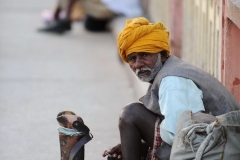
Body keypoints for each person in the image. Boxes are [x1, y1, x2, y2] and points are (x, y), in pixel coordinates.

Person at [101, 17, 240, 160]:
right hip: (216, 142)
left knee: (131, 114)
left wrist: (142, 146)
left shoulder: (173, 82)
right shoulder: (167, 72)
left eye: (144, 55)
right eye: (132, 58)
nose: (138, 64)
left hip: (221, 149)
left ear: (162, 55)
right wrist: (133, 144)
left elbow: (182, 138)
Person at [38, 0, 143, 34]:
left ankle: (64, 21)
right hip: (116, 7)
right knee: (90, 25)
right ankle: (59, 18)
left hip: (117, 8)